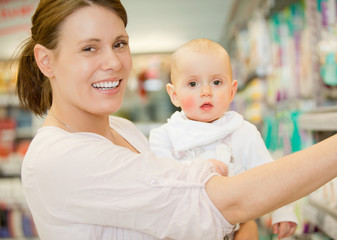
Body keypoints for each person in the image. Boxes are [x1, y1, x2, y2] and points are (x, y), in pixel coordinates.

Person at [15, 0, 337, 240]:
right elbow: (219, 204)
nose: (113, 62)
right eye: (89, 48)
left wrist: (243, 217)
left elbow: (222, 213)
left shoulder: (122, 128)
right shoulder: (61, 158)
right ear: (46, 60)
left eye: (119, 44)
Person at [149, 39, 298, 239]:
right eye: (193, 84)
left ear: (232, 91)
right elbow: (160, 183)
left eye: (216, 82)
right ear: (174, 94)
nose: (206, 92)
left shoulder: (243, 132)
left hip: (232, 231)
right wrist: (198, 170)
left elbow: (269, 175)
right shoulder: (165, 136)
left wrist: (283, 211)